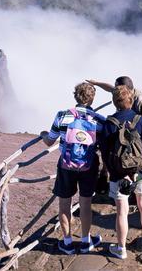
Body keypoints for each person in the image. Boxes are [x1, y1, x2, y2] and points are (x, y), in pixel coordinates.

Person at [87, 76, 142, 211]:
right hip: (128, 136)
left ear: (127, 89)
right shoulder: (126, 92)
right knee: (122, 159)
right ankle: (131, 188)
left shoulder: (141, 102)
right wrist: (96, 83)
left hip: (139, 139)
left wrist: (139, 145)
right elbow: (111, 89)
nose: (116, 90)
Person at [40, 82, 104, 254]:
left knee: (64, 204)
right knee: (85, 204)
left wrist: (43, 134)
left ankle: (67, 242)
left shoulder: (62, 116)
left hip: (66, 166)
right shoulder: (98, 120)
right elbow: (102, 144)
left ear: (75, 96)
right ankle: (85, 241)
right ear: (92, 99)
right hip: (88, 166)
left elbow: (49, 141)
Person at [100, 85, 142, 260]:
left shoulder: (109, 124)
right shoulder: (141, 122)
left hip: (119, 175)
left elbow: (105, 152)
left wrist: (116, 172)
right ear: (131, 101)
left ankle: (121, 248)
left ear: (114, 103)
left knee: (121, 212)